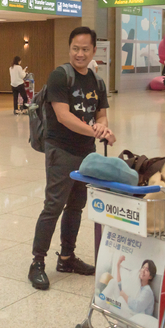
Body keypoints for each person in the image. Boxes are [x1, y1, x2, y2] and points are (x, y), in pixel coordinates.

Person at [28, 26, 114, 290]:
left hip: (86, 151)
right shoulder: (60, 76)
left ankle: (67, 257)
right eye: (75, 48)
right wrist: (95, 130)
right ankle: (37, 262)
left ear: (94, 51)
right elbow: (63, 116)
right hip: (61, 149)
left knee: (76, 205)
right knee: (53, 205)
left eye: (85, 49)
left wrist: (102, 127)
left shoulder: (97, 81)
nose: (80, 53)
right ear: (69, 49)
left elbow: (101, 113)